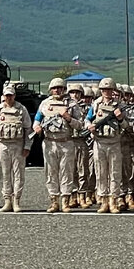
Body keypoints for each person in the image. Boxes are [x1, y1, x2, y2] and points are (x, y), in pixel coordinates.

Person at [34, 77, 78, 213]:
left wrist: (68, 118)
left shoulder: (72, 104)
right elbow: (37, 119)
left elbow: (80, 124)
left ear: (64, 89)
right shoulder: (45, 104)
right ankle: (54, 201)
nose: (57, 90)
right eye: (54, 88)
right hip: (49, 141)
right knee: (51, 172)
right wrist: (36, 127)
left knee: (67, 172)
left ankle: (65, 201)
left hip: (66, 142)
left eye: (60, 88)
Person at [86, 76, 127, 213]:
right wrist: (90, 126)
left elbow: (127, 125)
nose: (107, 93)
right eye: (104, 90)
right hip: (100, 142)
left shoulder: (119, 105)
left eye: (109, 90)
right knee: (101, 172)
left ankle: (113, 201)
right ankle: (103, 201)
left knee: (115, 173)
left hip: (114, 142)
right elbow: (88, 119)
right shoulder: (96, 104)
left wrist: (120, 118)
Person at [0, 82, 32, 212]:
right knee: (4, 173)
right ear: (4, 96)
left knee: (18, 173)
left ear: (14, 96)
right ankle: (7, 201)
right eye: (6, 95)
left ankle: (16, 201)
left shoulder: (21, 109)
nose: (9, 98)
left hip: (18, 145)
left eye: (11, 95)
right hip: (3, 144)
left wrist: (27, 146)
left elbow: (28, 129)